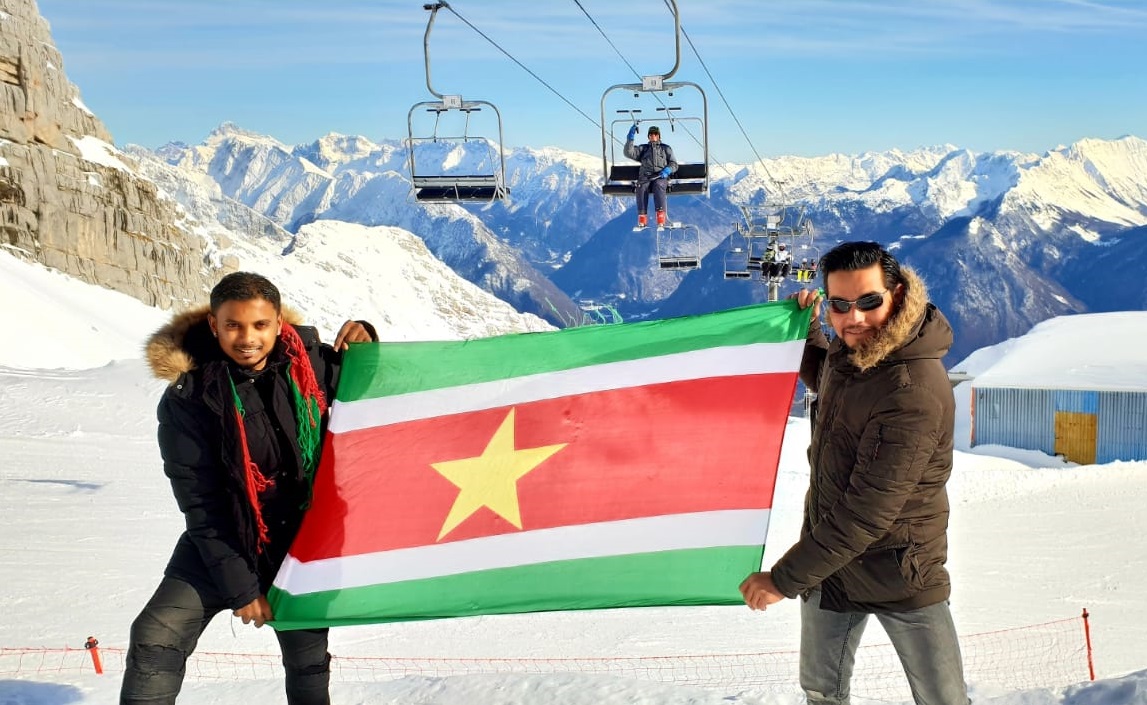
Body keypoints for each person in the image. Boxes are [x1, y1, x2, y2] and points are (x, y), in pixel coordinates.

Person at [122, 272, 377, 705]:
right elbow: (202, 504)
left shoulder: (311, 364)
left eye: (260, 325)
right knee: (155, 636)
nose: (247, 338)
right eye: (233, 325)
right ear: (214, 325)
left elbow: (376, 391)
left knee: (307, 659)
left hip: (300, 545)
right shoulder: (189, 396)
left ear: (279, 323)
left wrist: (367, 341)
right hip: (225, 538)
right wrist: (242, 588)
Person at [739, 241, 969, 705]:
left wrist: (783, 580)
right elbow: (833, 380)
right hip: (833, 569)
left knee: (942, 700)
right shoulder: (858, 352)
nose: (854, 317)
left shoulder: (912, 389)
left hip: (901, 572)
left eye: (868, 301)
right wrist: (807, 331)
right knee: (821, 693)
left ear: (897, 295)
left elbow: (866, 513)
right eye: (840, 305)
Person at [624, 123, 677, 229]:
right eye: (651, 134)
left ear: (659, 136)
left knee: (658, 186)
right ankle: (642, 218)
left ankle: (660, 218)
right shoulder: (643, 149)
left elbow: (674, 164)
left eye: (655, 134)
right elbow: (628, 153)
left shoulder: (665, 148)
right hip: (646, 176)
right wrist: (630, 139)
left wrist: (667, 170)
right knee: (641, 187)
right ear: (648, 136)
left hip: (660, 176)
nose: (653, 136)